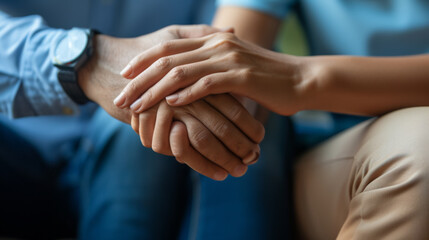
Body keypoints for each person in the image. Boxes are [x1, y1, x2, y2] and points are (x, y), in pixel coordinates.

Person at [116, 0, 429, 239]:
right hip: (363, 147)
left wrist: (303, 79)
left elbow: (288, 76)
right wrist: (201, 105)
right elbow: (232, 48)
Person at [0, 1, 290, 239]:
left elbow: (227, 45)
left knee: (241, 92)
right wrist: (87, 61)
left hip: (142, 146)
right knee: (144, 104)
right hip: (19, 151)